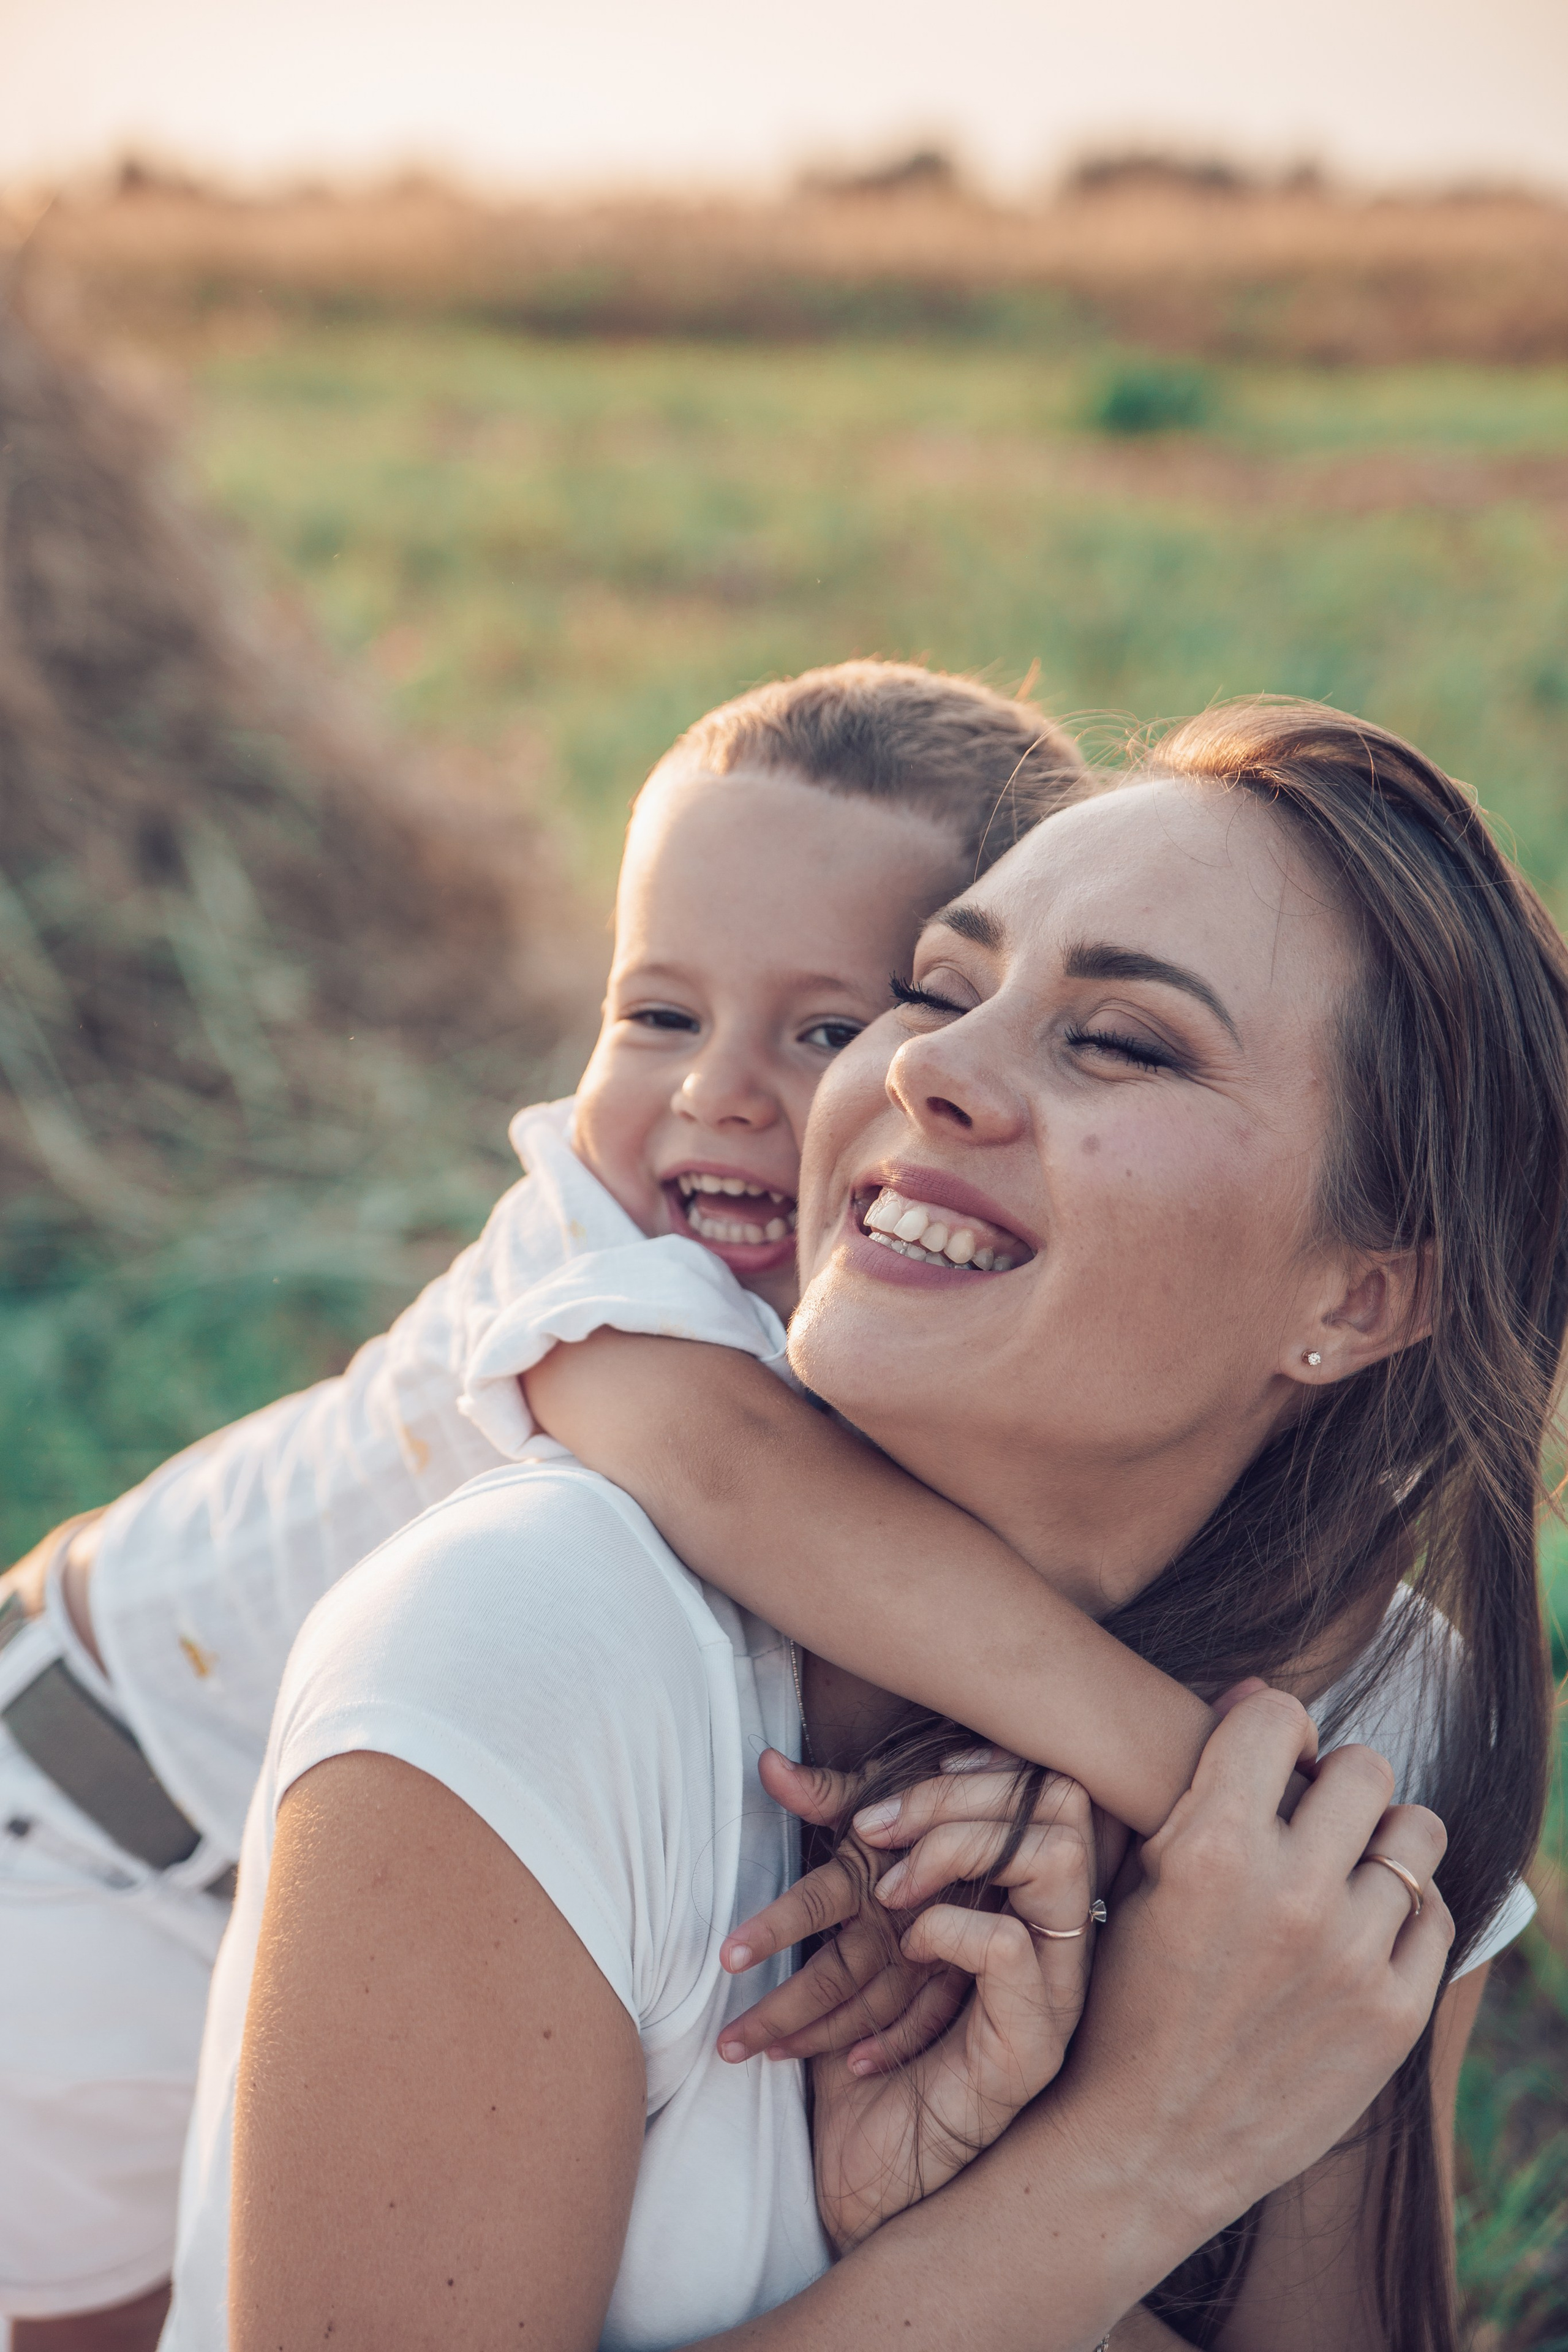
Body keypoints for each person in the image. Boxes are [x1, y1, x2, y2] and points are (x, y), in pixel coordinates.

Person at [165, 700, 1561, 2349]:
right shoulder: (528, 1644)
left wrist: (1280, 2053)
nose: (924, 1068)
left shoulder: (1380, 1732)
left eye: (1118, 1039)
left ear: (1363, 1295)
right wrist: (1124, 2175)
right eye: (944, 989)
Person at [1, 661, 1224, 2351]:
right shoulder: (599, 1251)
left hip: (341, 1893)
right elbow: (741, 1481)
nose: (717, 1090)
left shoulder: (883, 1286)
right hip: (83, 1837)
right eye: (657, 1013)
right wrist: (1189, 1781)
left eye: (822, 1028)